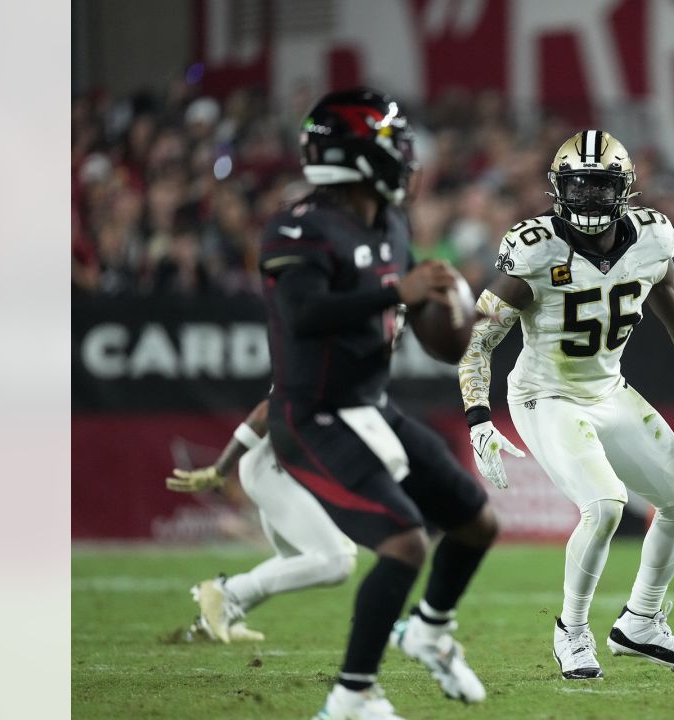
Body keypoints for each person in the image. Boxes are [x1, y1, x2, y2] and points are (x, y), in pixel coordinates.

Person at [459, 130, 674, 680]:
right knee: (606, 504)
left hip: (607, 391)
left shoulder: (652, 239)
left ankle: (640, 621)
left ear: (625, 190)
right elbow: (477, 339)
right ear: (559, 190)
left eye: (600, 186)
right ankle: (571, 629)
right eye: (578, 186)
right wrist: (477, 418)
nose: (588, 198)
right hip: (545, 395)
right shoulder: (536, 247)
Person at [259, 87, 500, 720]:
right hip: (311, 416)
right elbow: (304, 314)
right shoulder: (299, 224)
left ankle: (429, 630)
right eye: (393, 145)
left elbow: (431, 334)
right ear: (357, 154)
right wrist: (399, 288)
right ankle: (350, 697)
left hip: (372, 408)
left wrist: (453, 317)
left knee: (477, 521)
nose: (407, 159)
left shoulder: (391, 221)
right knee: (404, 543)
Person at [166, 399, 357, 644]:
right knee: (337, 562)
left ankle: (210, 624)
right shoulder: (330, 361)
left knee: (296, 558)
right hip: (273, 466)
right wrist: (220, 469)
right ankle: (227, 592)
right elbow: (267, 410)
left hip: (292, 467)